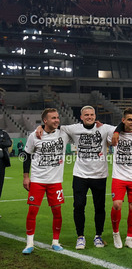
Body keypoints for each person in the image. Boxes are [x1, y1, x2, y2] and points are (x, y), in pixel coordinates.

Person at [36, 106, 116, 249]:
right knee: (78, 206)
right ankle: (80, 236)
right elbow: (53, 125)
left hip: (99, 175)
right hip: (80, 175)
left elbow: (122, 127)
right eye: (86, 115)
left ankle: (98, 236)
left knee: (100, 207)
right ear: (81, 117)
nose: (89, 117)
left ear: (95, 116)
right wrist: (41, 126)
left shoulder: (104, 128)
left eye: (92, 114)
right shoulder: (73, 129)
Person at [22, 108, 69, 254]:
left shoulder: (63, 134)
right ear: (45, 120)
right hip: (38, 180)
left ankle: (55, 241)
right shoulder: (34, 136)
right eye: (53, 118)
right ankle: (29, 243)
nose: (57, 120)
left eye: (57, 117)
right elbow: (26, 155)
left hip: (55, 181)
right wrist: (26, 177)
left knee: (57, 212)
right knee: (32, 211)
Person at [109, 108, 132, 249]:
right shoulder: (113, 132)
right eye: (129, 119)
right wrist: (117, 131)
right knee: (117, 205)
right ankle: (115, 233)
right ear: (123, 120)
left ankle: (129, 238)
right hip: (119, 176)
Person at [0, 127, 12, 215]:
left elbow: (8, 143)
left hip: (1, 163)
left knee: (0, 186)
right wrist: (2, 143)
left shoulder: (3, 133)